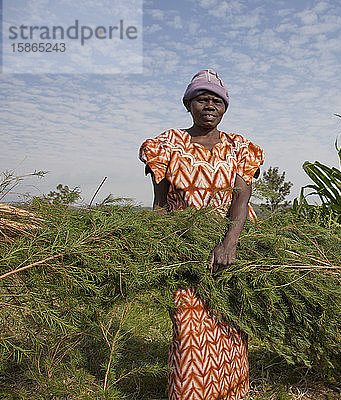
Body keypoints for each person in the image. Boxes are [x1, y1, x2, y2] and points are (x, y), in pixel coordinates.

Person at [139, 69, 264, 400]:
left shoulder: (240, 147)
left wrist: (229, 243)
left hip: (231, 247)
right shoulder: (167, 145)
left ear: (225, 108)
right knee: (189, 332)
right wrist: (159, 247)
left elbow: (241, 198)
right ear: (188, 104)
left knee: (232, 329)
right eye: (202, 99)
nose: (210, 105)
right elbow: (160, 204)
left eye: (216, 100)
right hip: (185, 249)